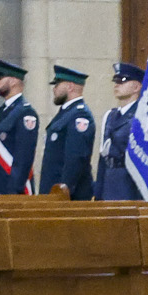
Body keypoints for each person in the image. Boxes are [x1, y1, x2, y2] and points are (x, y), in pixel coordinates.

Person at [0, 60, 40, 195]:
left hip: (10, 189)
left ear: (14, 81)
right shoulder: (0, 112)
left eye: (0, 78)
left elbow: (24, 157)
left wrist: (13, 191)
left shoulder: (26, 113)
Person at [39, 65, 96, 199]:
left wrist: (64, 191)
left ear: (70, 86)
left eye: (58, 84)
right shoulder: (67, 113)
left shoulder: (80, 116)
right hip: (54, 190)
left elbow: (75, 158)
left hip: (68, 194)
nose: (54, 89)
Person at [96, 62, 144, 201]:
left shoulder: (143, 116)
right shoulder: (110, 116)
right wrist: (99, 191)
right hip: (110, 181)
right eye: (115, 81)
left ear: (136, 87)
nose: (117, 85)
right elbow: (103, 157)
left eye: (122, 81)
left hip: (130, 183)